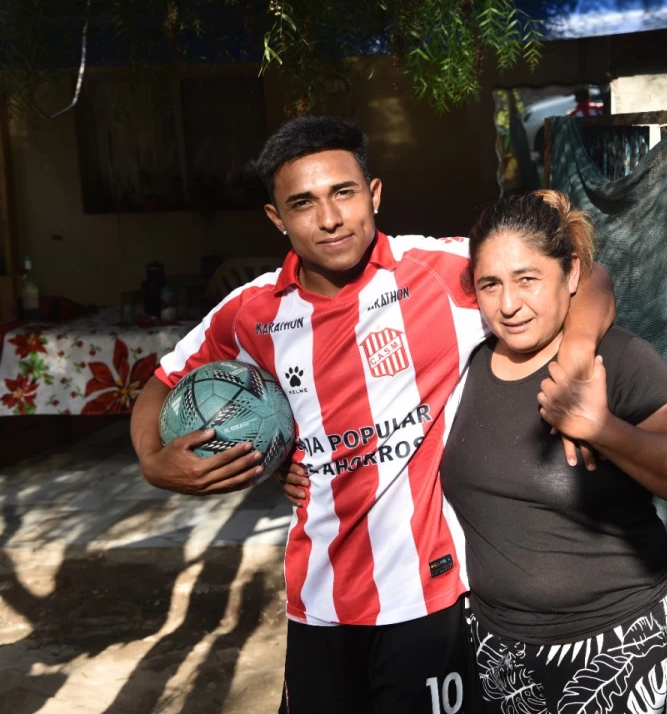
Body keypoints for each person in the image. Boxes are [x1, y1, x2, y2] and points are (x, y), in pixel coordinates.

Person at [129, 117, 615, 714]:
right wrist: (155, 463)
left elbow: (583, 273)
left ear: (374, 193)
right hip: (317, 600)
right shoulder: (251, 312)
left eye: (344, 192)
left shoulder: (444, 274)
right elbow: (161, 382)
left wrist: (577, 356)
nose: (329, 218)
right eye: (302, 203)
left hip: (429, 599)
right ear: (276, 219)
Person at [439, 190, 667, 714]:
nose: (508, 304)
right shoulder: (464, 365)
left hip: (618, 646)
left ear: (571, 276)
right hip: (500, 654)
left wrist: (606, 429)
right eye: (490, 284)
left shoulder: (614, 357)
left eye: (528, 280)